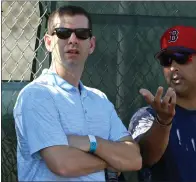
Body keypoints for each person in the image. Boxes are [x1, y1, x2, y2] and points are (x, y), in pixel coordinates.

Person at [13, 5, 142, 181]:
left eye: (81, 33)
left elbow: (134, 159)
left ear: (91, 44)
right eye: (63, 32)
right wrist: (111, 159)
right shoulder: (36, 95)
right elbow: (63, 164)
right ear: (49, 42)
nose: (73, 39)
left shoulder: (100, 99)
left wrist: (91, 142)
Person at [127, 25, 196, 181]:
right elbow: (143, 156)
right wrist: (162, 122)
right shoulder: (148, 117)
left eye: (182, 57)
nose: (173, 67)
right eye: (166, 60)